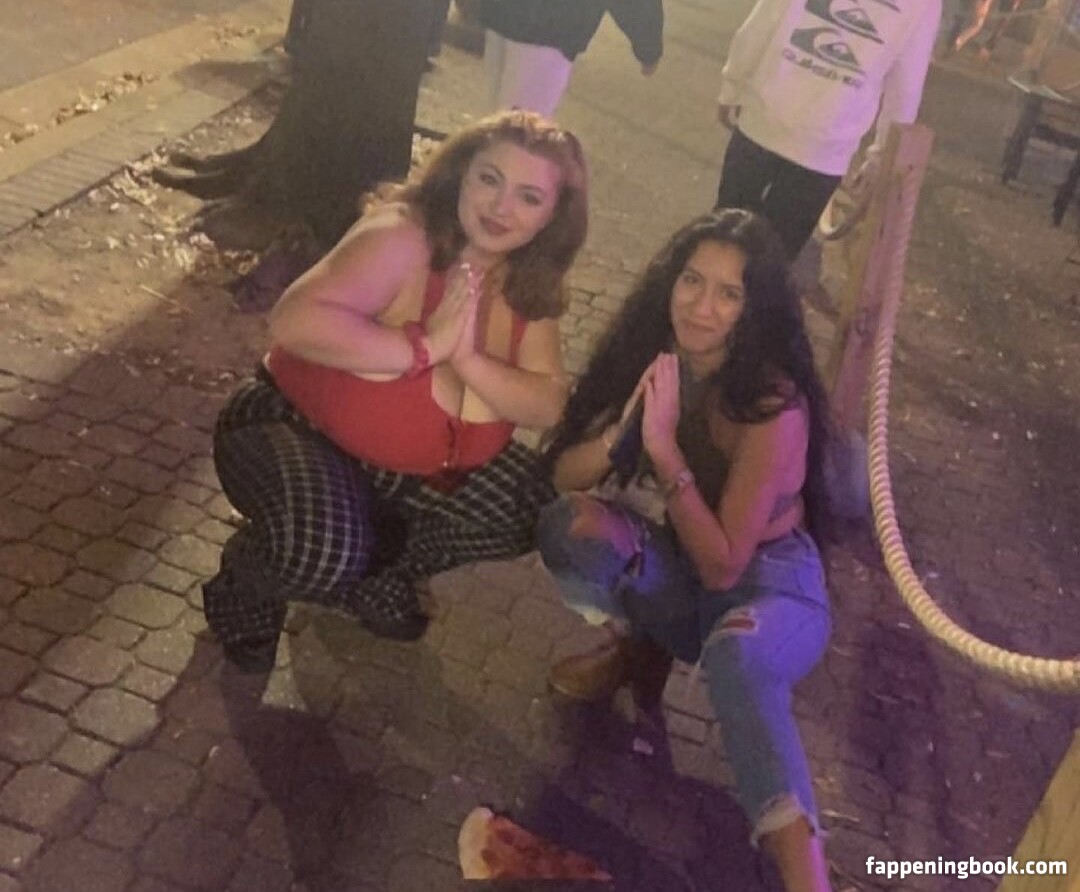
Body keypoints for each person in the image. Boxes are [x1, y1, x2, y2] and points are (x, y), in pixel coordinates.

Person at [202, 110, 589, 671]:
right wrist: (424, 348)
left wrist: (467, 359)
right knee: (319, 551)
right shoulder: (404, 235)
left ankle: (376, 570)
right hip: (291, 425)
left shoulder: (526, 279)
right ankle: (247, 582)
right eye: (490, 179)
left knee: (534, 509)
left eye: (529, 197)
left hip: (407, 470)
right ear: (461, 172)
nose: (501, 207)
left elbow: (548, 402)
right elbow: (293, 321)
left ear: (554, 215)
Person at [536, 210, 835, 892]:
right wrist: (624, 432)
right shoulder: (655, 359)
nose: (702, 306)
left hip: (771, 586)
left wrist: (665, 451)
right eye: (692, 281)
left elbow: (724, 565)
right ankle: (635, 650)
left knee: (736, 657)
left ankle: (807, 875)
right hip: (685, 570)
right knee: (570, 530)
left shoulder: (773, 404)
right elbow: (561, 476)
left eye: (729, 293)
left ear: (753, 309)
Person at [715, 0, 942, 259]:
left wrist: (733, 85)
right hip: (825, 150)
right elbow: (906, 88)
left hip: (763, 120)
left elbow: (763, 21)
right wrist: (880, 159)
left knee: (723, 238)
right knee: (776, 257)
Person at [479, 0, 663, 118]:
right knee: (520, 134)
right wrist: (648, 45)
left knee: (499, 121)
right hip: (550, 26)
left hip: (505, 13)